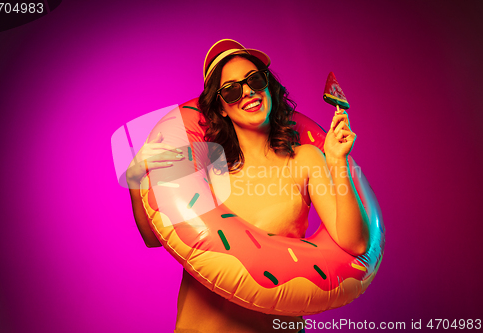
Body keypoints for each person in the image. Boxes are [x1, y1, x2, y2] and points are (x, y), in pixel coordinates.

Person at [126, 39, 370, 333]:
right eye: (231, 90)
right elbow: (154, 238)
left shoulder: (306, 159)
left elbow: (355, 243)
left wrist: (337, 161)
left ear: (268, 86)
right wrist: (137, 183)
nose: (248, 92)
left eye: (255, 80)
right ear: (222, 109)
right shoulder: (204, 165)